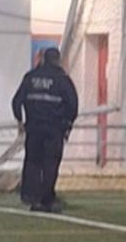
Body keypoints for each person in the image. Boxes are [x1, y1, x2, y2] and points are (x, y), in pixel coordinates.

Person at [11, 47, 78, 213]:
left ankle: (30, 196)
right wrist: (67, 126)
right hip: (53, 130)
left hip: (33, 129)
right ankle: (46, 199)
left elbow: (16, 101)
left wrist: (20, 121)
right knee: (50, 163)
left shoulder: (30, 77)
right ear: (57, 60)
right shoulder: (62, 80)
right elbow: (73, 105)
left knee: (33, 162)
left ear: (43, 59)